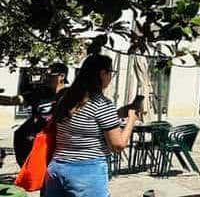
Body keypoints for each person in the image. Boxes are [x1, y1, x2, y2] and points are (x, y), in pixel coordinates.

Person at [45, 54, 138, 197]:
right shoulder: (101, 104)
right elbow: (118, 145)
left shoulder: (67, 98)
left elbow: (85, 121)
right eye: (111, 72)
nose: (111, 77)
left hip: (57, 167)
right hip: (86, 171)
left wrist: (117, 114)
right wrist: (132, 120)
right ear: (102, 73)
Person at [0, 63, 70, 167]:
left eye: (50, 75)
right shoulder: (39, 93)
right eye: (46, 75)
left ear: (62, 76)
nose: (46, 78)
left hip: (59, 141)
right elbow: (15, 100)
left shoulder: (69, 95)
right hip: (35, 139)